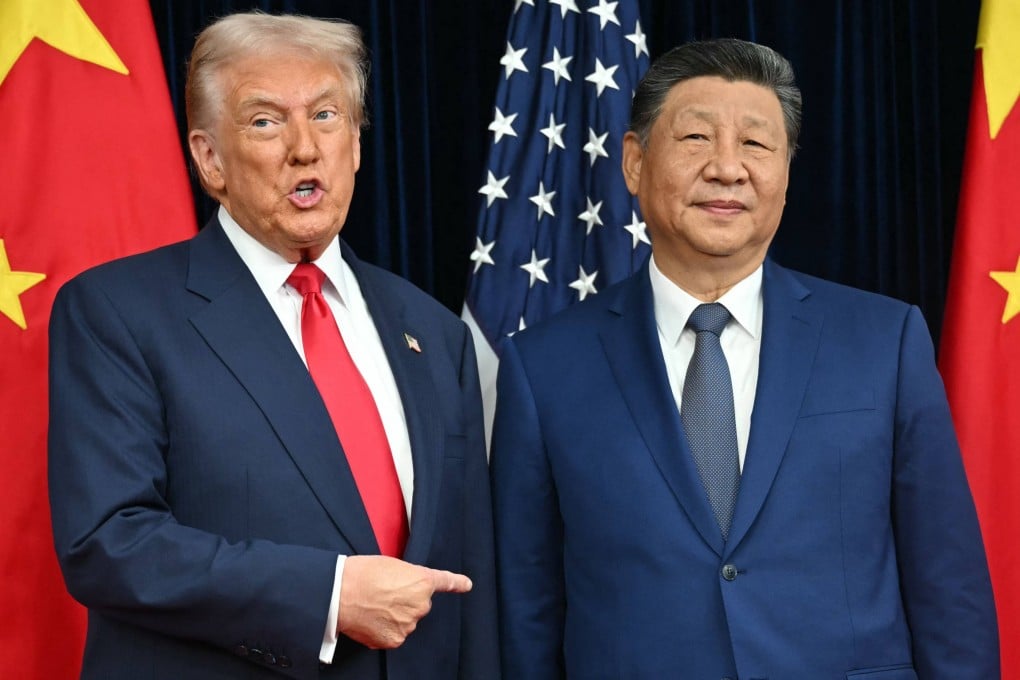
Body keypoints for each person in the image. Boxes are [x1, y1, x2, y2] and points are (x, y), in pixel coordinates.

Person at [490, 38, 998, 679]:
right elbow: (528, 611)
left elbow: (947, 582)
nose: (728, 169)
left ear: (786, 172)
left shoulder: (884, 341)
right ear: (634, 163)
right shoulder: (543, 369)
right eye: (696, 139)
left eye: (756, 145)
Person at [48, 12, 498, 680]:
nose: (304, 148)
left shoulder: (432, 331)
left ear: (354, 144)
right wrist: (327, 595)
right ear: (209, 158)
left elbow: (470, 577)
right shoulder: (117, 311)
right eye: (265, 121)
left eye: (326, 116)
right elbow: (108, 543)